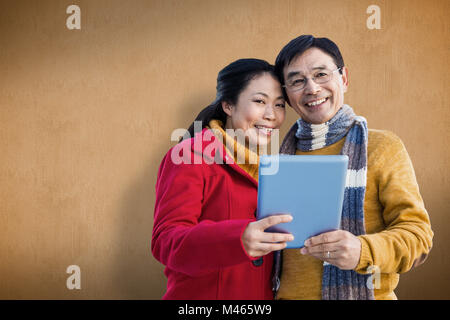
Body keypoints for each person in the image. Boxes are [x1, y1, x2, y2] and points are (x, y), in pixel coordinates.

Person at [272, 35, 434, 300]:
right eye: (297, 81)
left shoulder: (382, 147)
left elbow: (418, 238)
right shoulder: (277, 159)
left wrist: (362, 251)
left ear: (344, 78)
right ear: (288, 95)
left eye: (321, 74)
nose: (312, 88)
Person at [151, 59, 294, 299]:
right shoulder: (190, 155)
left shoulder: (269, 167)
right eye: (259, 101)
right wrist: (237, 238)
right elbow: (166, 240)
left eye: (279, 105)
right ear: (228, 105)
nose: (271, 115)